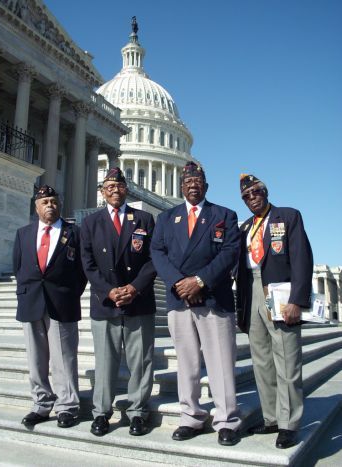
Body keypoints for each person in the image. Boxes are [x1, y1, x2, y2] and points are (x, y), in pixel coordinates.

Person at [151, 161, 241, 446]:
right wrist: (180, 283)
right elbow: (157, 251)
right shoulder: (167, 218)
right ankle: (191, 416)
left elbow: (229, 253)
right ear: (181, 186)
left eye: (198, 182)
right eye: (188, 181)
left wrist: (200, 281)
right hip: (180, 300)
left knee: (220, 363)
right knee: (187, 362)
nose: (193, 185)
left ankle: (226, 419)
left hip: (213, 298)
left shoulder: (224, 215)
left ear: (206, 186)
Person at [236, 174, 313, 449]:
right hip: (253, 292)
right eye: (246, 196)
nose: (252, 197)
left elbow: (302, 258)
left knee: (286, 358)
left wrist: (297, 300)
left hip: (279, 292)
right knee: (262, 360)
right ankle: (271, 418)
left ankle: (289, 423)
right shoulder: (245, 227)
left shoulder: (288, 216)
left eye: (255, 192)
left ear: (265, 191)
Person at [80, 167, 156, 437]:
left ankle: (137, 411)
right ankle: (101, 413)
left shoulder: (144, 219)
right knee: (105, 362)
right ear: (102, 191)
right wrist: (109, 291)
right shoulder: (90, 223)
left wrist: (134, 288)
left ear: (127, 189)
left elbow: (152, 259)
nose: (115, 190)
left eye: (119, 186)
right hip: (105, 302)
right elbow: (87, 263)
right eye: (109, 186)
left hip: (139, 301)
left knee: (141, 362)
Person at [13, 185, 87, 428]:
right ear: (36, 207)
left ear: (60, 205)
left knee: (64, 357)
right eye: (44, 202)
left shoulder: (74, 232)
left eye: (54, 201)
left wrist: (70, 294)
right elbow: (19, 266)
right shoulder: (23, 233)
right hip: (31, 300)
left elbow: (82, 271)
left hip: (62, 302)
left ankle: (67, 406)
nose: (50, 206)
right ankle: (42, 404)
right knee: (36, 358)